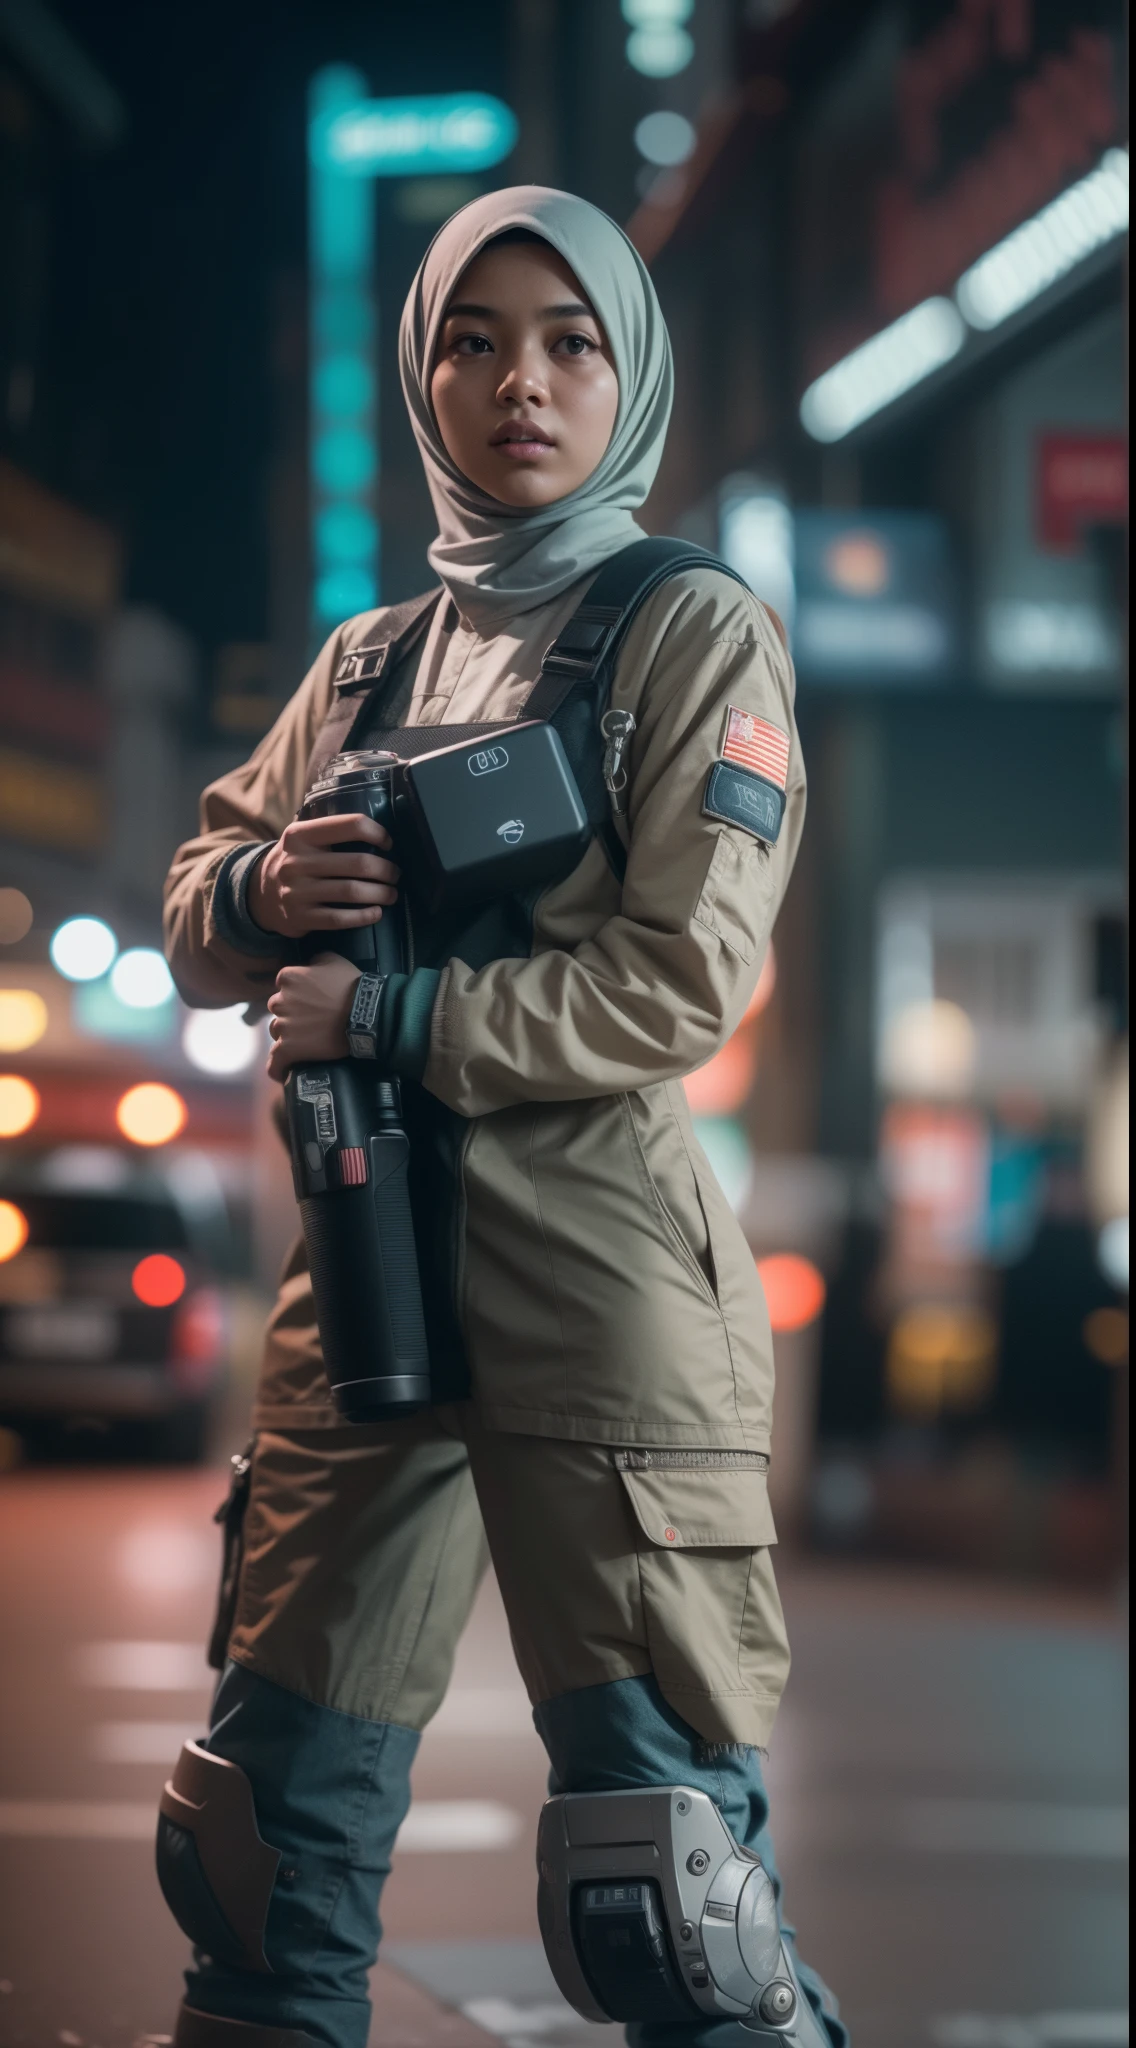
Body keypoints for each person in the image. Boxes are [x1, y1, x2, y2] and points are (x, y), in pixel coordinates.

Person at [161, 186, 847, 2048]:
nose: (518, 381)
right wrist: (260, 899)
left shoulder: (691, 630)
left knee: (663, 1888)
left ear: (628, 377)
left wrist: (389, 1005)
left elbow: (677, 986)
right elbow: (202, 882)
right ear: (423, 376)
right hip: (362, 1275)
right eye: (473, 340)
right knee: (256, 1851)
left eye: (569, 341)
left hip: (601, 1280)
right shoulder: (369, 660)